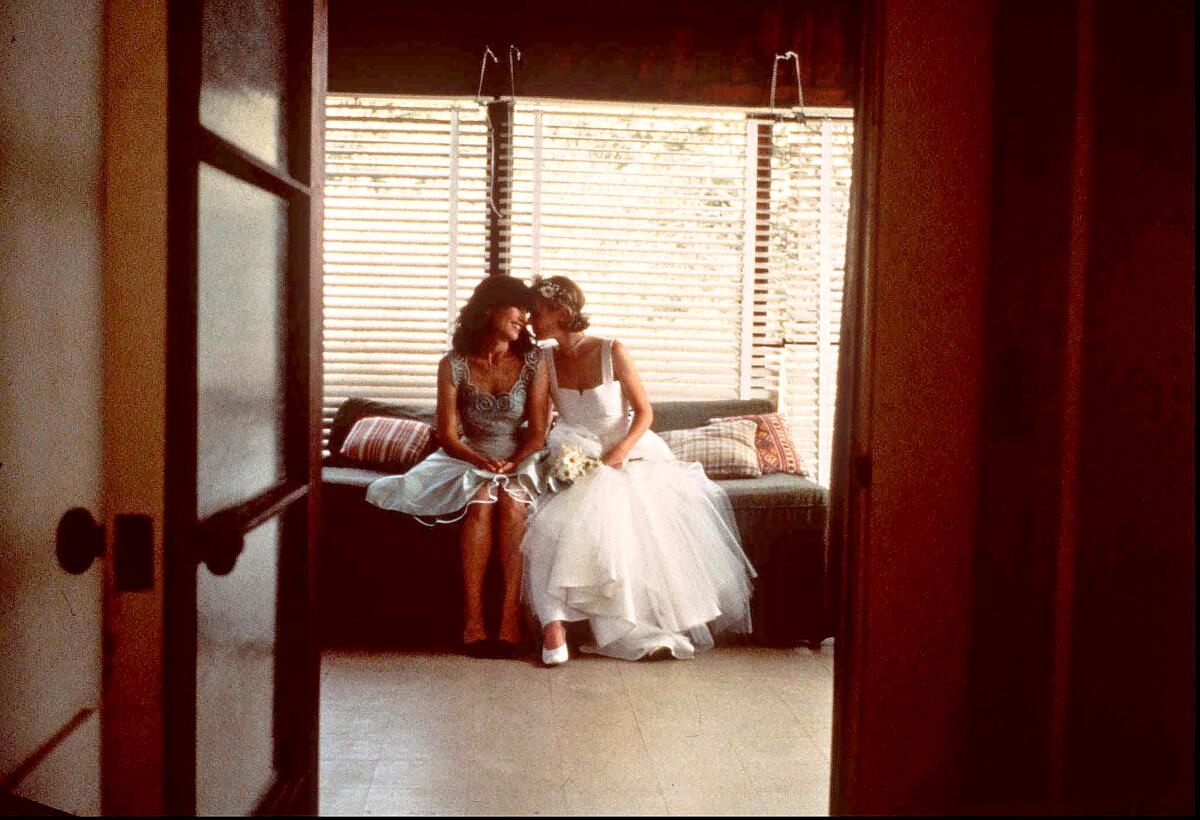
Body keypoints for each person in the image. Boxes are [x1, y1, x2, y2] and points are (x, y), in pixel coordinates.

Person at [521, 275, 756, 665]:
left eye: (537, 312)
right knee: (547, 525)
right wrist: (529, 461)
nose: (530, 320)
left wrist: (620, 451)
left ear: (560, 313)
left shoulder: (612, 351)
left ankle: (632, 632)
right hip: (576, 457)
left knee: (620, 521)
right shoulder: (545, 360)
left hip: (629, 454)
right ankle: (554, 628)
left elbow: (645, 413)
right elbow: (538, 423)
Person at [366, 275, 550, 657]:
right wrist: (480, 460)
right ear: (489, 309)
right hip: (467, 456)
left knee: (513, 503)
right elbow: (447, 434)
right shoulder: (452, 364)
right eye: (518, 307)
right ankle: (473, 622)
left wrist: (512, 463)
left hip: (520, 456)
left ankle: (510, 622)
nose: (525, 317)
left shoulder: (535, 362)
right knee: (481, 499)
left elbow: (536, 432)